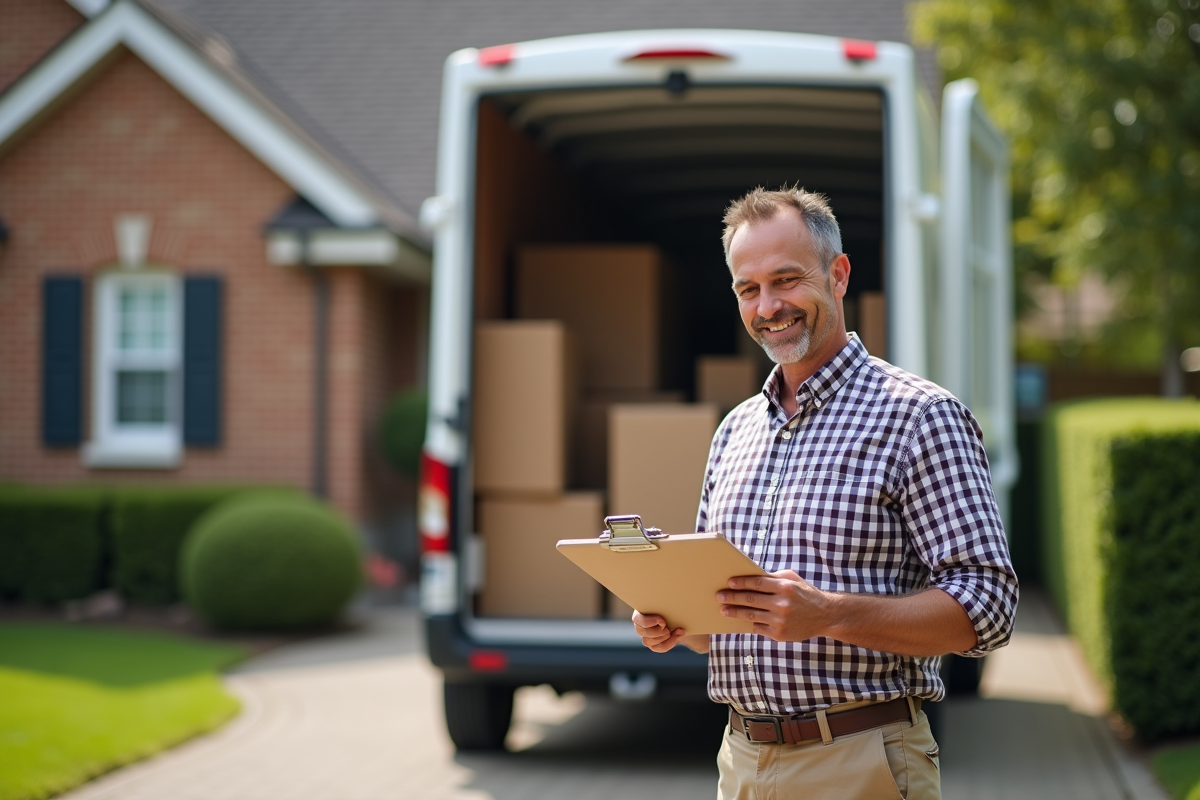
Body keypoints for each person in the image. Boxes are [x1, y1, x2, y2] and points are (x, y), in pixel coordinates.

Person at [632, 186, 1018, 800]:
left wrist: (830, 614)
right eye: (748, 288)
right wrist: (676, 622)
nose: (768, 306)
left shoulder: (920, 416)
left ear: (837, 275)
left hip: (863, 762)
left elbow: (990, 609)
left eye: (787, 280)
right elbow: (725, 622)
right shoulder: (735, 430)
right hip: (741, 763)